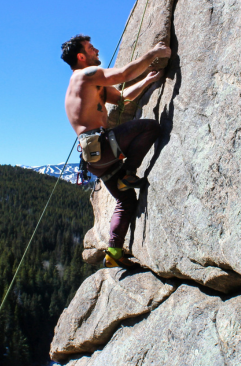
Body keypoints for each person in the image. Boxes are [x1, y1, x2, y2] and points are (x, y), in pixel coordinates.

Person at [62, 34, 171, 268]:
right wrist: (153, 54)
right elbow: (122, 76)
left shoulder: (90, 83)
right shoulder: (84, 75)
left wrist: (147, 80)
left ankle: (114, 252)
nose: (97, 50)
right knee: (150, 128)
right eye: (91, 49)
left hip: (95, 159)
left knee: (126, 200)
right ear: (81, 56)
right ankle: (129, 173)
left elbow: (123, 96)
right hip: (102, 146)